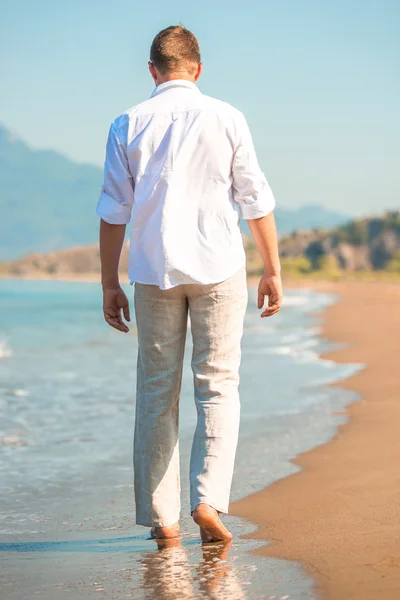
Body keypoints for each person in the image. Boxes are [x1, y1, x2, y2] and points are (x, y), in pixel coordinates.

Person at [96, 25, 282, 542]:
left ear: (153, 71)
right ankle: (207, 502)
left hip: (154, 274)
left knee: (157, 395)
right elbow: (255, 200)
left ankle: (162, 522)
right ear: (197, 69)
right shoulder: (227, 117)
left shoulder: (127, 122)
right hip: (219, 268)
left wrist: (110, 282)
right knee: (217, 387)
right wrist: (272, 268)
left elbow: (114, 211)